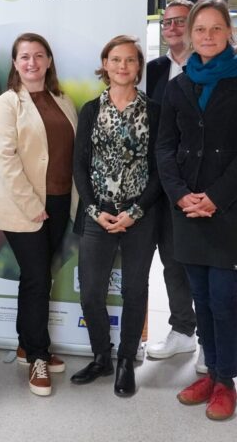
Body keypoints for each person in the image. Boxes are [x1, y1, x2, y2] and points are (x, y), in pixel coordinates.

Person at [156, 0, 237, 421]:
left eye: (215, 29)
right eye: (199, 30)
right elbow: (165, 146)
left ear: (229, 33)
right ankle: (208, 372)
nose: (206, 36)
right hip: (186, 207)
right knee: (200, 298)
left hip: (231, 206)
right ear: (190, 35)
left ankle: (225, 381)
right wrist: (180, 194)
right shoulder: (178, 85)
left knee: (223, 298)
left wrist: (216, 197)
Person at [0, 33, 77, 397]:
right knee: (38, 278)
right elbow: (4, 160)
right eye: (25, 56)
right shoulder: (8, 104)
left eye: (40, 56)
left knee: (37, 278)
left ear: (49, 61)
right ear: (15, 63)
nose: (32, 63)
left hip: (59, 202)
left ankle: (27, 343)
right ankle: (38, 356)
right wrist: (31, 204)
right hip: (25, 207)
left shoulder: (63, 100)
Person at [70, 35, 161, 398]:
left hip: (142, 214)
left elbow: (160, 168)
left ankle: (126, 360)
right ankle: (101, 357)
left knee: (135, 290)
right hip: (98, 213)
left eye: (130, 60)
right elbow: (79, 165)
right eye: (116, 59)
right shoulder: (91, 110)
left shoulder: (154, 110)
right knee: (91, 291)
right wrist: (95, 209)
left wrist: (135, 211)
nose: (123, 66)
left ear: (139, 66)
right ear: (105, 65)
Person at [144, 0, 200, 363]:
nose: (173, 28)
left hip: (198, 184)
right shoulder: (153, 70)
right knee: (170, 260)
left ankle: (208, 338)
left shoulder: (210, 68)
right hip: (157, 183)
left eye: (181, 21)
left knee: (200, 263)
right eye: (167, 23)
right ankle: (183, 329)